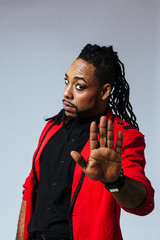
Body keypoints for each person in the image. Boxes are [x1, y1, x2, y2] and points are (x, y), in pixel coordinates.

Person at [16, 44, 154, 240]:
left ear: (104, 91)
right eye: (66, 81)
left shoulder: (122, 137)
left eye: (79, 86)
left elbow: (143, 204)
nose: (67, 93)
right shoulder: (52, 127)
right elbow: (30, 187)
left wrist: (116, 182)